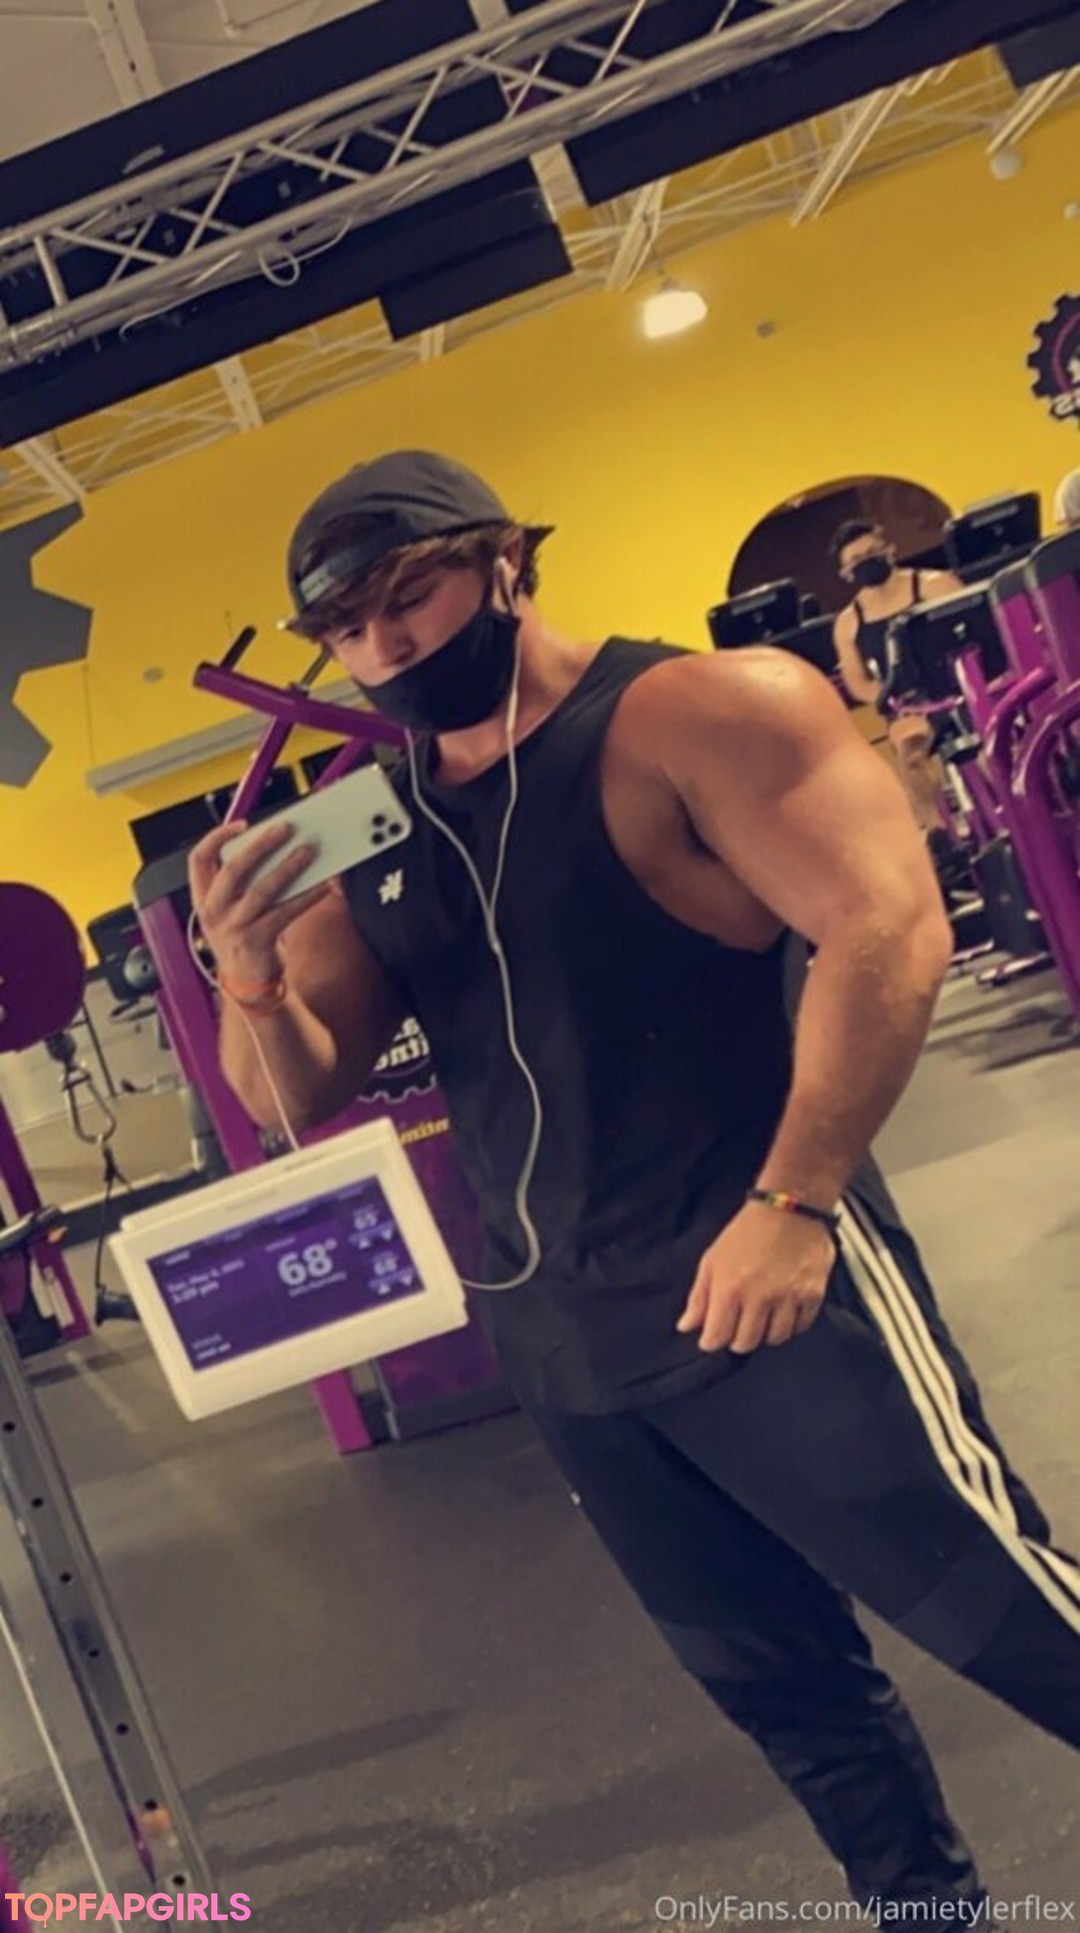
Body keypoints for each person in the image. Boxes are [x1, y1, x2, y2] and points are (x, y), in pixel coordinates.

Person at [189, 451, 1079, 1909]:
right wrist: (248, 976)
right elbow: (296, 1086)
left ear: (506, 561)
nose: (387, 647)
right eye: (349, 629)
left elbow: (888, 926)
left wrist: (796, 1203)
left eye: (412, 598)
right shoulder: (368, 817)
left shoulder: (694, 713)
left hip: (762, 1279)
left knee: (1011, 1615)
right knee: (792, 1702)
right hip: (573, 1347)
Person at [830, 519, 964, 857]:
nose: (867, 561)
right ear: (846, 573)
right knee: (910, 752)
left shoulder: (935, 585)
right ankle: (940, 838)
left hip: (960, 687)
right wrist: (887, 696)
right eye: (856, 560)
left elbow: (973, 628)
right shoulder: (849, 622)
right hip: (910, 704)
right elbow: (857, 681)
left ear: (890, 550)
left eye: (872, 552)